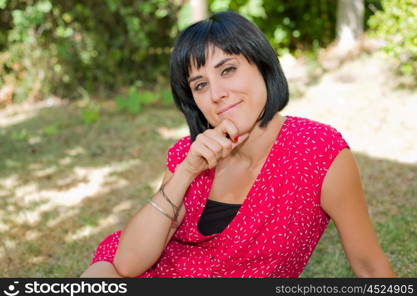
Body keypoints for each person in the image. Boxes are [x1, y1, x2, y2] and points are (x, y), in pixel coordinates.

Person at [80, 11, 394, 278]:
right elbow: (127, 264)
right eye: (200, 85)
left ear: (262, 65)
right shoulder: (189, 154)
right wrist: (187, 171)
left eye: (228, 70)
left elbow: (368, 266)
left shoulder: (318, 152)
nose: (216, 93)